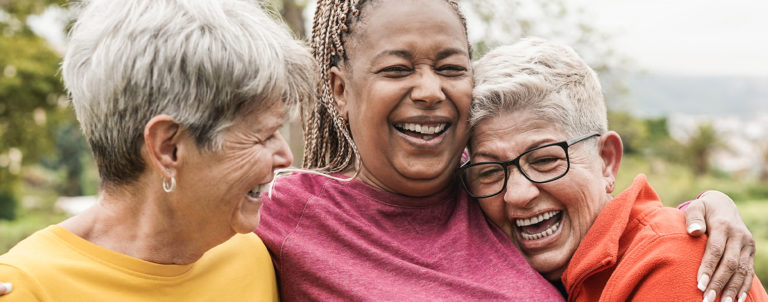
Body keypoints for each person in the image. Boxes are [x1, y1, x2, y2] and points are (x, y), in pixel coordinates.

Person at [256, 0, 756, 300]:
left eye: (450, 68)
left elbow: (612, 229)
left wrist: (692, 221)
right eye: (397, 69)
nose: (429, 90)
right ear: (340, 90)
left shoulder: (484, 195)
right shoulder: (288, 213)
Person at [0, 0, 315, 300]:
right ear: (169, 149)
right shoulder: (27, 288)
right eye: (264, 136)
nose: (286, 157)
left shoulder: (253, 254)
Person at [461, 37, 767, 301]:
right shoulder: (550, 270)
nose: (516, 194)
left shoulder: (674, 263)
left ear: (607, 160)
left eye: (544, 160)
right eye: (490, 172)